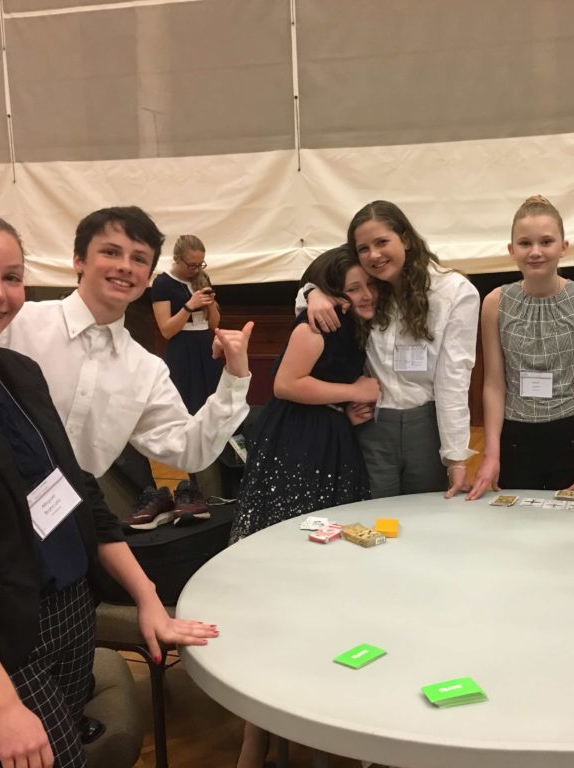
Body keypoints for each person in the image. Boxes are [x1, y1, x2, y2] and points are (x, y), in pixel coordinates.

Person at [0, 201, 218, 768]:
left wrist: (148, 599)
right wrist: (0, 704)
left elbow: (76, 492)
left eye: (11, 277)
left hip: (68, 606)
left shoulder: (16, 374)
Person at [230, 246, 377, 768]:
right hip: (298, 450)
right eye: (352, 287)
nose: (363, 295)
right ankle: (257, 734)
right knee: (287, 578)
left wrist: (343, 406)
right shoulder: (314, 323)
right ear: (332, 290)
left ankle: (311, 715)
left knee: (328, 578)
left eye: (368, 286)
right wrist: (354, 389)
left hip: (332, 442)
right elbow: (287, 384)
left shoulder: (350, 322)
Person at [0, 206, 253, 480]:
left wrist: (235, 378)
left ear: (148, 277)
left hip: (73, 512)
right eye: (111, 252)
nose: (126, 267)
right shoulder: (18, 324)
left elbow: (188, 449)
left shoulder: (146, 371)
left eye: (140, 259)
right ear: (79, 260)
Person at [302, 201, 480, 499]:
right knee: (373, 517)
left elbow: (453, 379)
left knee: (426, 515)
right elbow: (313, 295)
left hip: (425, 425)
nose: (374, 255)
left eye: (382, 242)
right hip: (371, 424)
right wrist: (312, 292)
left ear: (406, 239)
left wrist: (456, 457)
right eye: (363, 248)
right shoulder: (365, 289)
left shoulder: (452, 292)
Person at [465, 195, 574, 501]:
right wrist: (491, 455)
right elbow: (495, 385)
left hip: (568, 435)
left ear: (564, 246)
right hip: (514, 436)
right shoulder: (496, 302)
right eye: (525, 243)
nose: (535, 252)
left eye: (546, 242)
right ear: (512, 251)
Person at [151, 234, 224, 414]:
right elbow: (166, 331)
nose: (196, 269)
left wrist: (211, 304)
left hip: (206, 345)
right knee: (185, 400)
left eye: (200, 264)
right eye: (192, 265)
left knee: (212, 397)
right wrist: (189, 306)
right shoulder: (163, 283)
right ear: (176, 259)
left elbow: (214, 324)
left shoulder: (202, 278)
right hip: (182, 348)